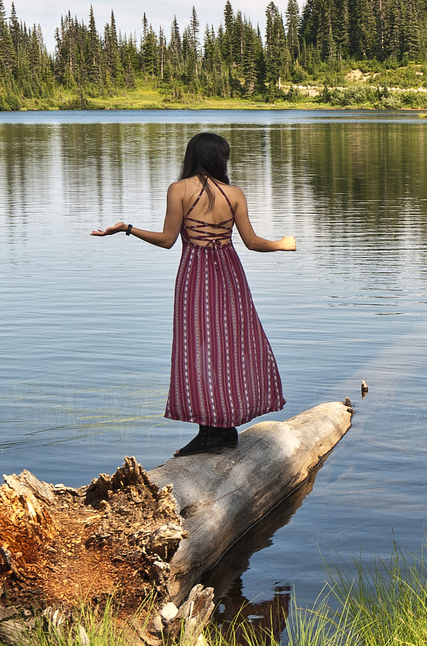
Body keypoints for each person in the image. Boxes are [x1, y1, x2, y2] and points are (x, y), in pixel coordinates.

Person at [93, 132, 293, 457]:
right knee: (229, 346)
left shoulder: (179, 190)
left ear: (192, 156)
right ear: (218, 158)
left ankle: (210, 432)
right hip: (230, 275)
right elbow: (253, 243)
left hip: (196, 276)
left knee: (197, 347)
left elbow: (167, 240)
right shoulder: (234, 193)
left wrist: (127, 229)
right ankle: (224, 429)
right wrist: (283, 244)